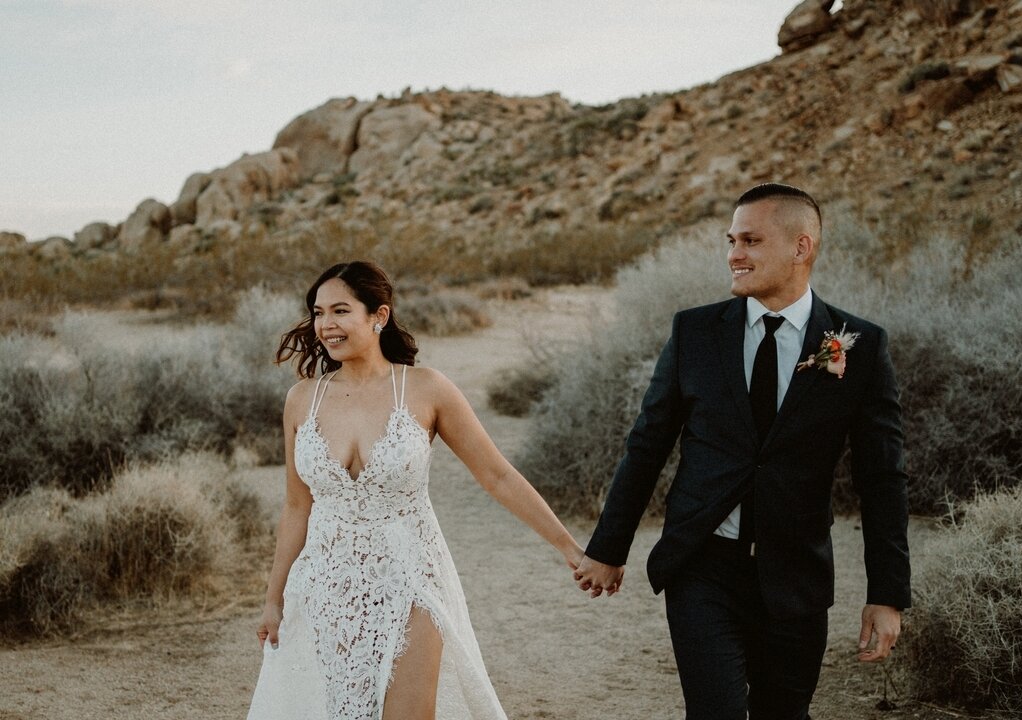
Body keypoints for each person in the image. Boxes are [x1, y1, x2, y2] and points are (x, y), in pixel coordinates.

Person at [573, 183, 911, 719]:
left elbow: (883, 478)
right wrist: (609, 548)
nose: (734, 254)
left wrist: (886, 594)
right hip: (703, 567)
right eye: (731, 240)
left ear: (801, 248)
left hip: (796, 574)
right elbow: (648, 444)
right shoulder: (695, 333)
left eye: (750, 240)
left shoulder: (858, 347)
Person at [246, 261, 583, 720]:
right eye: (319, 312)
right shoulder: (303, 399)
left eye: (341, 311)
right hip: (326, 580)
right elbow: (295, 507)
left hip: (412, 574)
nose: (326, 325)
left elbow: (497, 475)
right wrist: (273, 598)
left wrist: (569, 547)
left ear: (378, 316)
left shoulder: (426, 389)